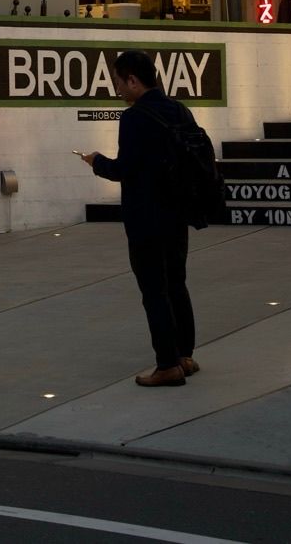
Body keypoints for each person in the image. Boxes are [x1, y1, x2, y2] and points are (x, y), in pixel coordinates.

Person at [79, 50, 201, 387]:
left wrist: (96, 161)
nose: (117, 89)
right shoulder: (180, 110)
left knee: (154, 290)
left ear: (133, 79)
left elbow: (124, 169)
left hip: (146, 218)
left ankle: (167, 365)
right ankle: (185, 356)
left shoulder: (134, 118)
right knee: (176, 282)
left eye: (119, 82)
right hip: (177, 215)